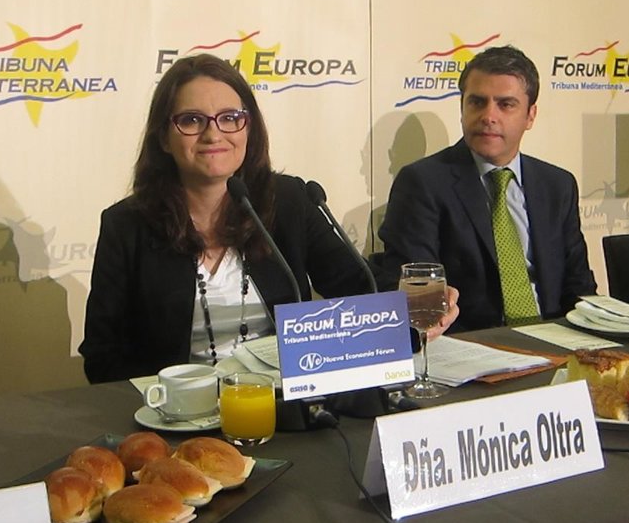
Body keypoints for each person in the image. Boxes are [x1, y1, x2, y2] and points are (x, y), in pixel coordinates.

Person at [81, 54, 457, 383]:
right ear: (164, 137)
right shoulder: (126, 225)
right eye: (192, 120)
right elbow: (102, 355)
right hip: (179, 417)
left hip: (285, 405)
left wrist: (414, 299)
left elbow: (358, 283)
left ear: (249, 128)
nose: (213, 134)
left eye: (230, 118)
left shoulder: (289, 201)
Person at [379, 45, 596, 331]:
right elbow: (415, 294)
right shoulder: (422, 183)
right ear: (462, 109)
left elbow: (579, 287)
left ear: (530, 116)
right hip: (471, 341)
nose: (488, 116)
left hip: (555, 337)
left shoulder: (557, 185)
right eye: (477, 102)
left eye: (505, 104)